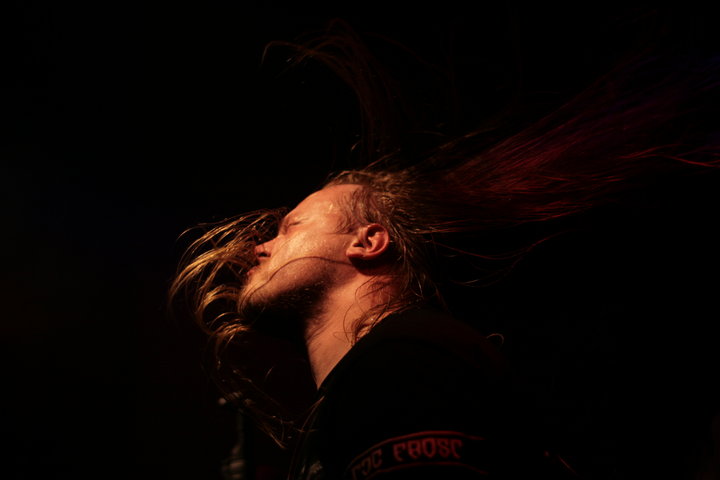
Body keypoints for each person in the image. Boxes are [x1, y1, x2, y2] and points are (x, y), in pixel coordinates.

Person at [169, 15, 720, 480]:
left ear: (369, 241)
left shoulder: (402, 363)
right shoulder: (398, 367)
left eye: (291, 226)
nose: (260, 248)